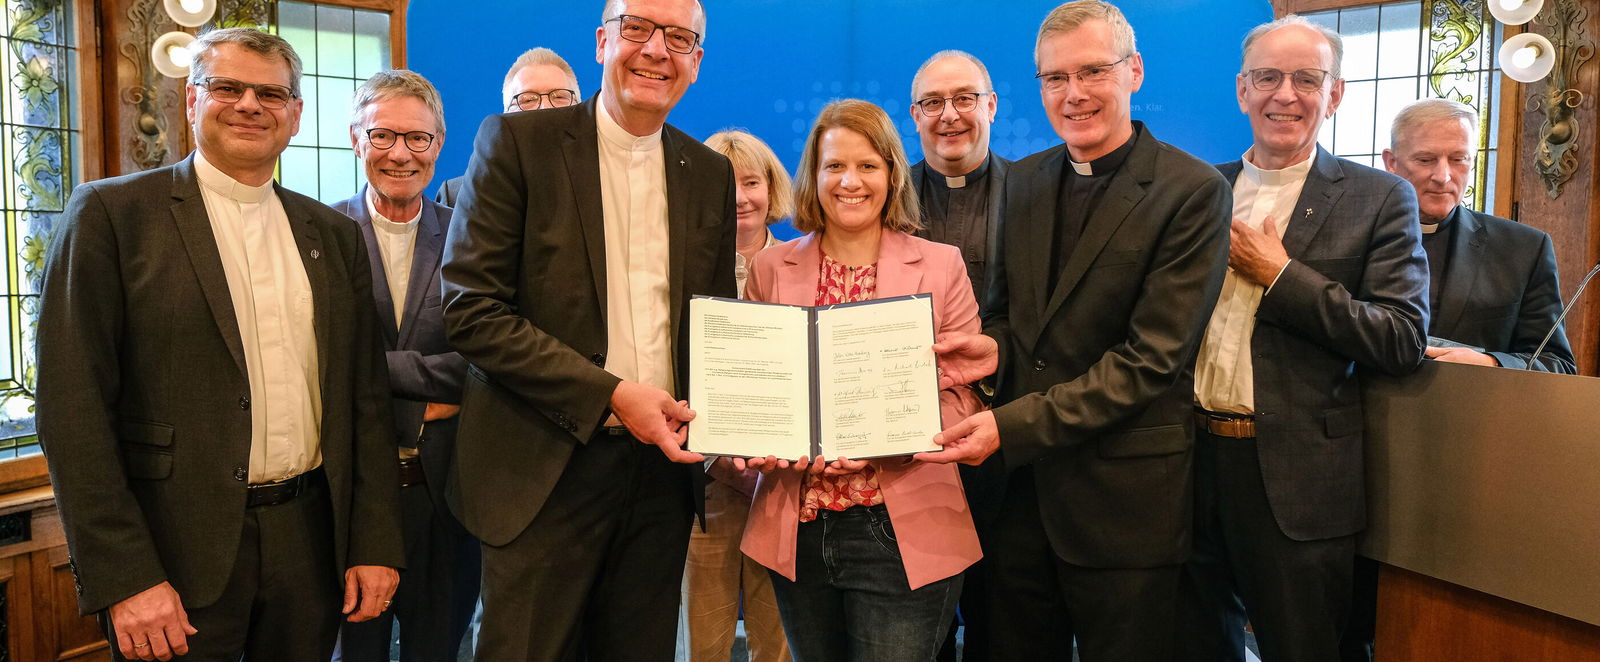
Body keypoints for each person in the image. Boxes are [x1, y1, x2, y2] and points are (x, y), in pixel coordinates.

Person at [36, 27, 402, 662]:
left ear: (295, 114)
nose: (249, 105)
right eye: (227, 87)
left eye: (270, 93)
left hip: (309, 546)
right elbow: (73, 413)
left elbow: (363, 401)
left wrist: (373, 541)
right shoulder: (111, 216)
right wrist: (126, 575)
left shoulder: (332, 236)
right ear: (190, 100)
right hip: (172, 551)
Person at [919, 2, 1231, 660]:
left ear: (1134, 71)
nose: (1074, 94)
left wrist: (1011, 425)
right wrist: (992, 346)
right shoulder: (1026, 179)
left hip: (1123, 505)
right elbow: (1014, 313)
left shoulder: (1191, 191)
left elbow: (1150, 361)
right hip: (1019, 503)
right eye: (1054, 78)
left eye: (1093, 71)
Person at [439, 0, 736, 659]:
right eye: (638, 29)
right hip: (542, 469)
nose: (657, 50)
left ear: (697, 62)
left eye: (680, 38)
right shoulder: (517, 144)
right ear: (603, 40)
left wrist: (743, 419)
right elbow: (471, 310)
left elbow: (715, 326)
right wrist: (611, 393)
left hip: (660, 477)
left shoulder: (707, 172)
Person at [1175, 15, 1430, 662]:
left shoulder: (1381, 198)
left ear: (1334, 95)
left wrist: (1281, 276)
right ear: (1241, 90)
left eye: (1306, 79)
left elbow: (1401, 338)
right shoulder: (1199, 189)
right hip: (1187, 465)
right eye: (1267, 77)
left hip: (1296, 482)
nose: (1284, 95)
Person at [738, 98, 983, 662]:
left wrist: (899, 438)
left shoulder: (941, 265)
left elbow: (963, 399)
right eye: (834, 166)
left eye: (868, 166)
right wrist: (755, 444)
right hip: (799, 530)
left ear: (893, 174)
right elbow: (756, 391)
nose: (851, 181)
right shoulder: (771, 270)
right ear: (813, 177)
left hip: (904, 528)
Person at [1335, 96, 1576, 662]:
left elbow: (1558, 364)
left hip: (1460, 482)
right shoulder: (1343, 239)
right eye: (1426, 161)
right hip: (1348, 469)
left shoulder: (1523, 247)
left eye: (1460, 160)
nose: (1445, 177)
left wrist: (1492, 364)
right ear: (1391, 162)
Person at [332, 69, 479, 662]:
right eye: (383, 135)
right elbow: (315, 364)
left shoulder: (472, 241)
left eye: (418, 139)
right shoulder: (318, 233)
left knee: (439, 648)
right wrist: (427, 401)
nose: (401, 153)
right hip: (348, 498)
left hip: (445, 494)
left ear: (439, 144)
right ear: (355, 138)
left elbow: (484, 363)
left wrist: (367, 372)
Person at [905, 48, 1010, 662]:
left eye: (964, 99)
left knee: (1004, 616)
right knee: (922, 627)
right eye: (932, 104)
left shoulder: (1036, 194)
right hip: (911, 449)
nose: (949, 116)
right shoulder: (886, 199)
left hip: (1005, 443)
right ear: (914, 115)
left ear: (991, 105)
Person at [680, 129, 793, 662]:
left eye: (752, 181)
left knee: (779, 639)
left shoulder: (802, 266)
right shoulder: (682, 267)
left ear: (772, 188)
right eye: (727, 183)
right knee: (705, 640)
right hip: (707, 481)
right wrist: (717, 459)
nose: (741, 197)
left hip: (784, 482)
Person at [435, 47, 582, 206]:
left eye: (559, 96)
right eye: (527, 100)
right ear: (505, 118)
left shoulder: (604, 185)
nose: (544, 108)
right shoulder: (458, 197)